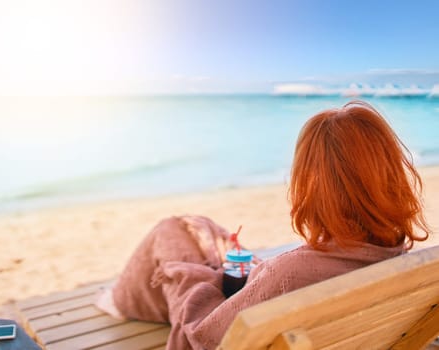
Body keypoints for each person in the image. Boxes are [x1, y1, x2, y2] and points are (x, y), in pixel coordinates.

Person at [97, 100, 430, 349]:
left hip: (214, 332)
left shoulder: (286, 274)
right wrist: (252, 274)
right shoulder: (395, 253)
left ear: (312, 183)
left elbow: (202, 335)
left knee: (169, 233)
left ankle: (120, 300)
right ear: (388, 175)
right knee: (203, 233)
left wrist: (200, 277)